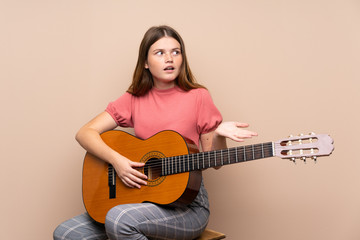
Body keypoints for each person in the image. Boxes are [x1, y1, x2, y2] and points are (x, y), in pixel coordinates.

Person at [54, 25, 257, 240]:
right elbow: (85, 133)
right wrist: (117, 161)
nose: (169, 58)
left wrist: (218, 135)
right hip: (139, 201)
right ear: (145, 62)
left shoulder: (199, 96)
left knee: (119, 219)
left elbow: (215, 161)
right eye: (160, 53)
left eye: (175, 52)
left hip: (187, 207)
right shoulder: (133, 98)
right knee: (66, 234)